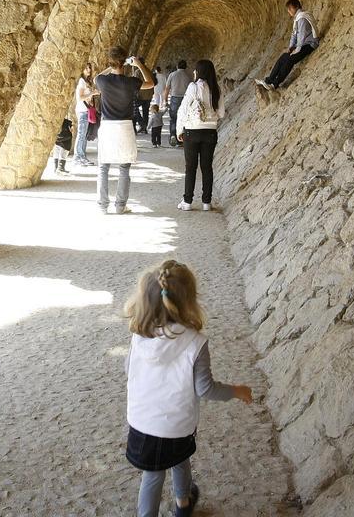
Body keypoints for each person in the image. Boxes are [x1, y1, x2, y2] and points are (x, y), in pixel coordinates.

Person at [124, 260, 253, 517]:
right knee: (180, 459)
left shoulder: (139, 335)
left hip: (141, 422)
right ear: (188, 301)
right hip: (177, 425)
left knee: (152, 476)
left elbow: (128, 370)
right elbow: (205, 389)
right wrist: (237, 390)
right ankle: (183, 505)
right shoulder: (195, 342)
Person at [95, 46, 155, 214]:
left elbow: (98, 76)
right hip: (125, 128)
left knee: (103, 168)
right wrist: (138, 65)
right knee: (124, 168)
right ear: (124, 63)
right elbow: (151, 83)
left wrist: (113, 65)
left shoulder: (102, 81)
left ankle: (102, 206)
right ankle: (120, 205)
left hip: (107, 127)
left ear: (110, 61)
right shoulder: (131, 83)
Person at [176, 60, 226, 212]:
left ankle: (187, 201)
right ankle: (206, 202)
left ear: (198, 72)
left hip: (192, 131)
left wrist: (179, 130)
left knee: (190, 168)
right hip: (210, 133)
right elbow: (222, 113)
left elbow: (183, 109)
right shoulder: (216, 89)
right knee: (207, 167)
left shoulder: (193, 87)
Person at [254, 0, 319, 91]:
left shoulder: (302, 18)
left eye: (290, 8)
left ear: (297, 6)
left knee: (290, 60)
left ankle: (274, 84)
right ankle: (268, 81)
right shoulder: (297, 18)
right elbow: (294, 34)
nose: (289, 11)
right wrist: (291, 47)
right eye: (288, 9)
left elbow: (302, 36)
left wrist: (296, 50)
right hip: (304, 44)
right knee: (284, 56)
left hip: (310, 44)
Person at [73, 62, 96, 166]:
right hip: (82, 110)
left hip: (86, 110)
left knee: (84, 134)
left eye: (89, 68)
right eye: (86, 68)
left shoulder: (87, 81)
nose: (88, 70)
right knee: (81, 134)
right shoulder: (82, 81)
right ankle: (78, 157)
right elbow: (80, 97)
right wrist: (92, 93)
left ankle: (82, 156)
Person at [164, 60, 192, 147]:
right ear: (186, 66)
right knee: (184, 119)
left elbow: (167, 88)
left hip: (174, 98)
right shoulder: (189, 75)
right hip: (185, 98)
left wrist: (165, 100)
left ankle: (173, 135)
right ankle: (181, 139)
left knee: (173, 118)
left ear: (177, 66)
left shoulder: (172, 75)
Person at [134, 57, 155, 134]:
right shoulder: (149, 71)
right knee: (145, 112)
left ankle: (141, 123)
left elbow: (135, 83)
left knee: (134, 109)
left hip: (140, 95)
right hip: (148, 96)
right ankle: (144, 127)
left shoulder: (137, 72)